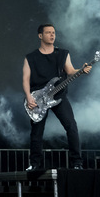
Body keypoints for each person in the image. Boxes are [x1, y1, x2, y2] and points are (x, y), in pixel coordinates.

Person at [22, 23, 90, 171]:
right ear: (40, 36)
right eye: (48, 33)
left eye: (53, 32)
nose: (52, 35)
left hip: (58, 95)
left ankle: (77, 163)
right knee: (37, 132)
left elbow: (71, 71)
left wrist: (82, 70)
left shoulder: (62, 54)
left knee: (71, 126)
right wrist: (28, 97)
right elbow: (25, 79)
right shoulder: (31, 58)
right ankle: (35, 164)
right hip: (38, 98)